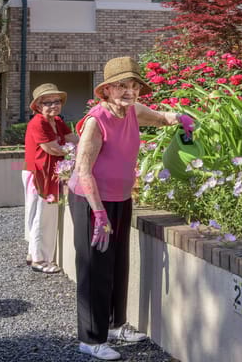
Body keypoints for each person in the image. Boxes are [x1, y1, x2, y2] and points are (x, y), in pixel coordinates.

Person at [68, 56, 194, 361]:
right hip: (91, 201)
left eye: (133, 85)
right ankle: (90, 338)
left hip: (121, 199)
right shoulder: (97, 122)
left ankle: (114, 325)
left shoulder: (134, 111)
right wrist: (98, 214)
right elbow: (83, 170)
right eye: (121, 85)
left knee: (117, 264)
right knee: (95, 267)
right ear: (107, 90)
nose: (129, 91)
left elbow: (162, 118)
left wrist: (181, 118)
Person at [22, 83, 78, 274]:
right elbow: (52, 147)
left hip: (48, 172)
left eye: (57, 101)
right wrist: (78, 152)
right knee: (42, 216)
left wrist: (94, 141)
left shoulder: (57, 121)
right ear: (38, 106)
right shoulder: (38, 123)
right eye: (48, 102)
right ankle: (40, 260)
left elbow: (73, 138)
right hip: (39, 173)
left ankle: (34, 253)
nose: (54, 105)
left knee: (40, 214)